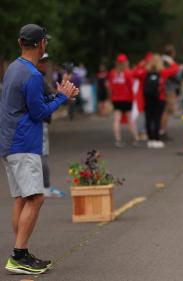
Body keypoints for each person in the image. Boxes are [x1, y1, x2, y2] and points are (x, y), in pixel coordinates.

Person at [0, 24, 78, 274]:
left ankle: (20, 251)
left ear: (20, 42)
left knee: (22, 197)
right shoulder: (32, 74)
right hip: (24, 144)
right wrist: (61, 98)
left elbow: (29, 103)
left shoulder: (14, 68)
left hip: (10, 143)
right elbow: (40, 113)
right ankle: (18, 255)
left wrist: (58, 95)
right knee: (36, 197)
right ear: (42, 44)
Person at [36, 53, 65, 198]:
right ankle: (45, 188)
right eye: (44, 61)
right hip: (38, 123)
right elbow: (51, 96)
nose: (46, 64)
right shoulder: (37, 78)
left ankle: (41, 188)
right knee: (42, 155)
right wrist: (62, 95)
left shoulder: (32, 76)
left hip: (33, 123)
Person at [108, 53, 140, 148]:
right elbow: (131, 86)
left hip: (116, 99)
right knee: (130, 119)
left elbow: (110, 86)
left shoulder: (113, 72)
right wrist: (133, 98)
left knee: (117, 119)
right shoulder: (127, 72)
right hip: (127, 98)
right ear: (126, 62)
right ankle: (136, 138)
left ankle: (118, 140)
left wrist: (111, 97)